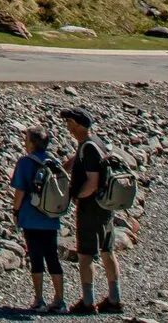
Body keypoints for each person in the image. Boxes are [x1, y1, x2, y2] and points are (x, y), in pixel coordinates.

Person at [61, 106, 123, 314]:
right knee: (108, 250)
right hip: (106, 207)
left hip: (91, 207)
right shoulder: (95, 143)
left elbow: (93, 181)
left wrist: (76, 196)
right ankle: (115, 298)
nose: (67, 127)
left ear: (78, 125)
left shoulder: (87, 148)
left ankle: (88, 302)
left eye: (69, 123)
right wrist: (62, 168)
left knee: (86, 254)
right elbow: (75, 160)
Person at [8, 128, 66, 312]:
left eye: (26, 139)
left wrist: (15, 211)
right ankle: (59, 300)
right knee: (52, 256)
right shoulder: (53, 162)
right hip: (51, 216)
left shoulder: (25, 162)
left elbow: (20, 191)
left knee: (36, 257)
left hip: (31, 217)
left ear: (31, 143)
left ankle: (39, 299)